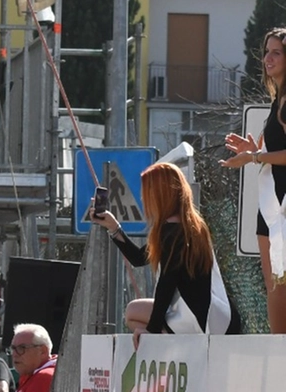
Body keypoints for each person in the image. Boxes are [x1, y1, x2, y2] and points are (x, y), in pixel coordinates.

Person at [96, 162, 243, 336]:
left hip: (198, 320)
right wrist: (114, 227)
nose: (144, 199)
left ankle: (171, 344)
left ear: (160, 195)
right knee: (134, 313)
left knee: (132, 313)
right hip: (220, 315)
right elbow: (139, 258)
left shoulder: (171, 232)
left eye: (147, 193)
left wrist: (152, 329)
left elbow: (167, 283)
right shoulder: (192, 225)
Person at [224, 25, 286, 333]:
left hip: (282, 208)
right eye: (266, 52)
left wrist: (255, 157)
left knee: (278, 285)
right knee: (273, 284)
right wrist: (254, 149)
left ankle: (280, 357)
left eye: (277, 52)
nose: (268, 58)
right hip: (271, 207)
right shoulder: (278, 100)